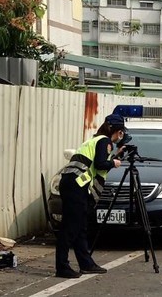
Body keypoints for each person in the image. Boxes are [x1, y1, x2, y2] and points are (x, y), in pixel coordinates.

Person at [55, 114, 126, 279]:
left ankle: (86, 264)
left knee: (80, 227)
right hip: (76, 185)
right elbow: (101, 164)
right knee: (70, 228)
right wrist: (114, 163)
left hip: (72, 183)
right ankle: (62, 267)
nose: (120, 136)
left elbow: (97, 164)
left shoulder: (95, 140)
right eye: (121, 133)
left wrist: (115, 157)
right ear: (118, 131)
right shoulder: (105, 141)